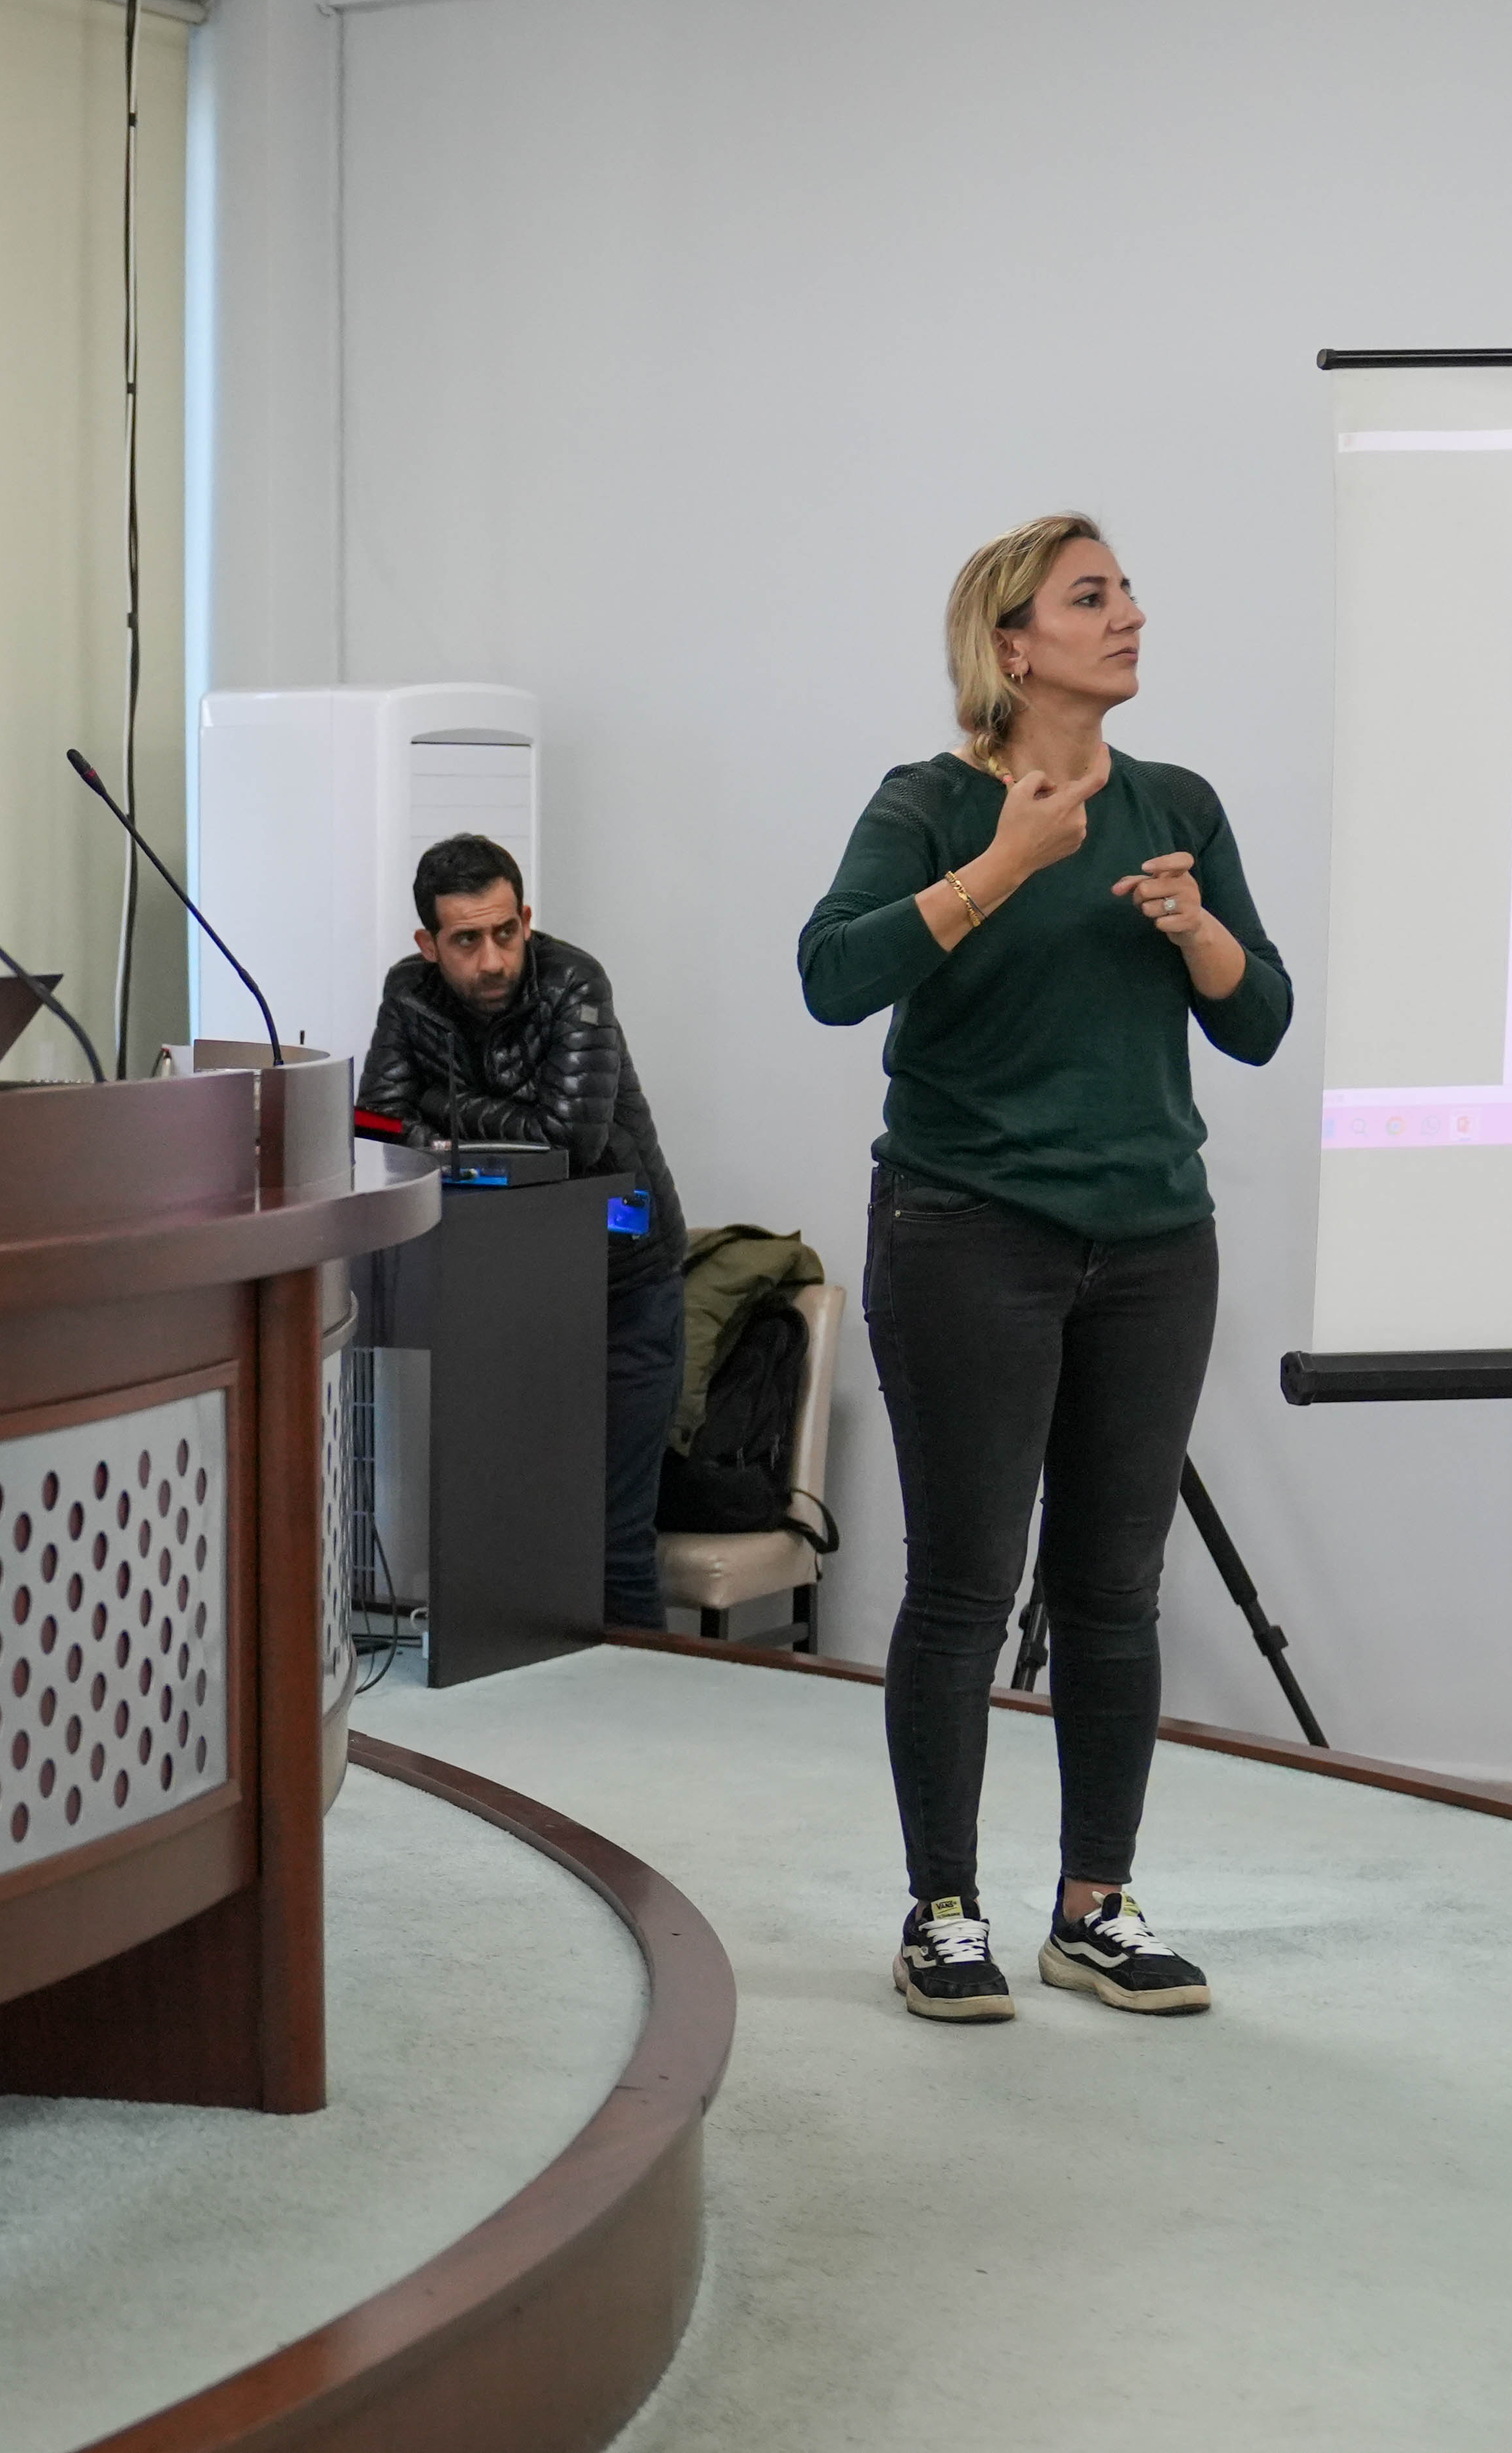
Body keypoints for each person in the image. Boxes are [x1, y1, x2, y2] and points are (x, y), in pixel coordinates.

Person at [794, 512, 1290, 2027]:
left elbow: (1259, 1018)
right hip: (965, 1231)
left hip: (1152, 1241)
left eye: (1125, 590)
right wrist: (1004, 864)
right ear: (1011, 644)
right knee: (962, 1584)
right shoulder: (930, 803)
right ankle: (943, 1909)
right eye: (1092, 596)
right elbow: (830, 974)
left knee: (1113, 1590)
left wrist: (1196, 930)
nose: (1129, 613)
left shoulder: (1176, 803)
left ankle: (1094, 1906)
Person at [353, 835, 692, 1630]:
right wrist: (444, 1125)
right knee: (514, 1531)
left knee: (613, 1543)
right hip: (506, 1289)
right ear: (429, 944)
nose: (494, 960)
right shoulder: (409, 993)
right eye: (467, 941)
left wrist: (437, 1112)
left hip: (622, 1281)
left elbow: (569, 1140)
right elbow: (373, 1126)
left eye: (506, 932)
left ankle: (646, 1702)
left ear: (527, 918)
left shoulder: (574, 981)